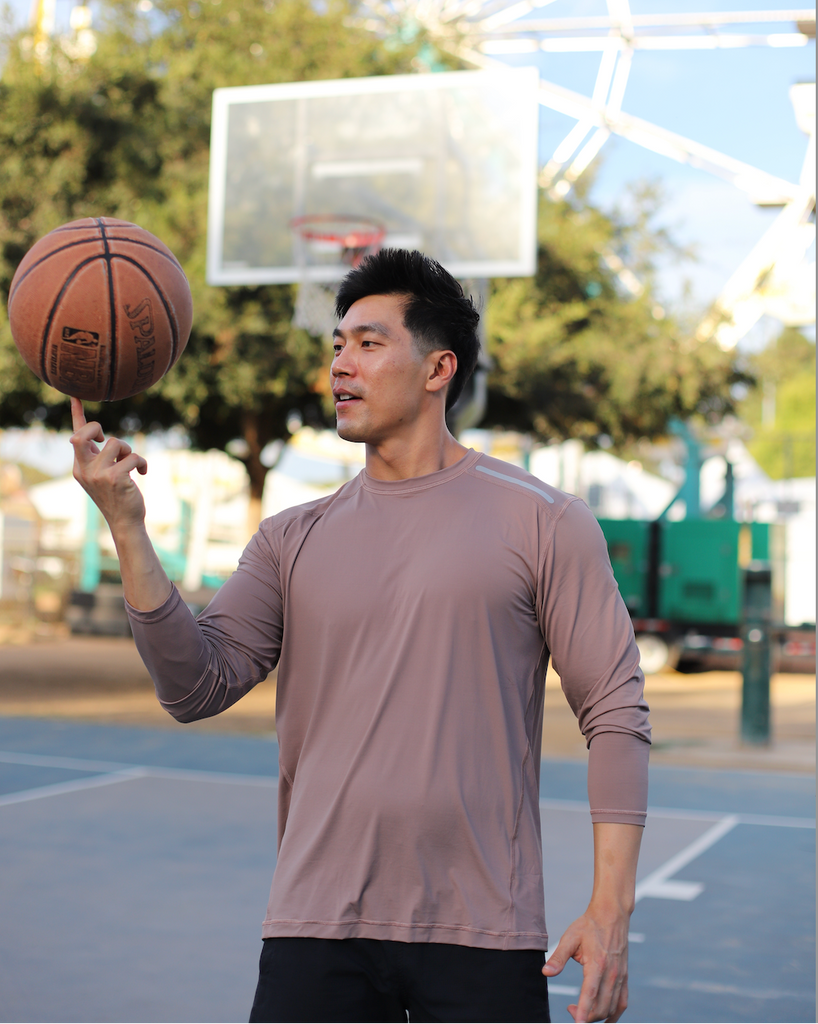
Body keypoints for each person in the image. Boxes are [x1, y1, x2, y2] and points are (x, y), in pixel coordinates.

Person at [70, 248, 650, 1024]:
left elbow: (615, 714)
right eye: (337, 345)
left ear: (439, 367)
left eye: (369, 343)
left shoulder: (546, 521)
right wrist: (127, 527)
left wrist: (610, 911)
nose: (341, 363)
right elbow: (192, 686)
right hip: (316, 926)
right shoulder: (290, 538)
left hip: (483, 930)